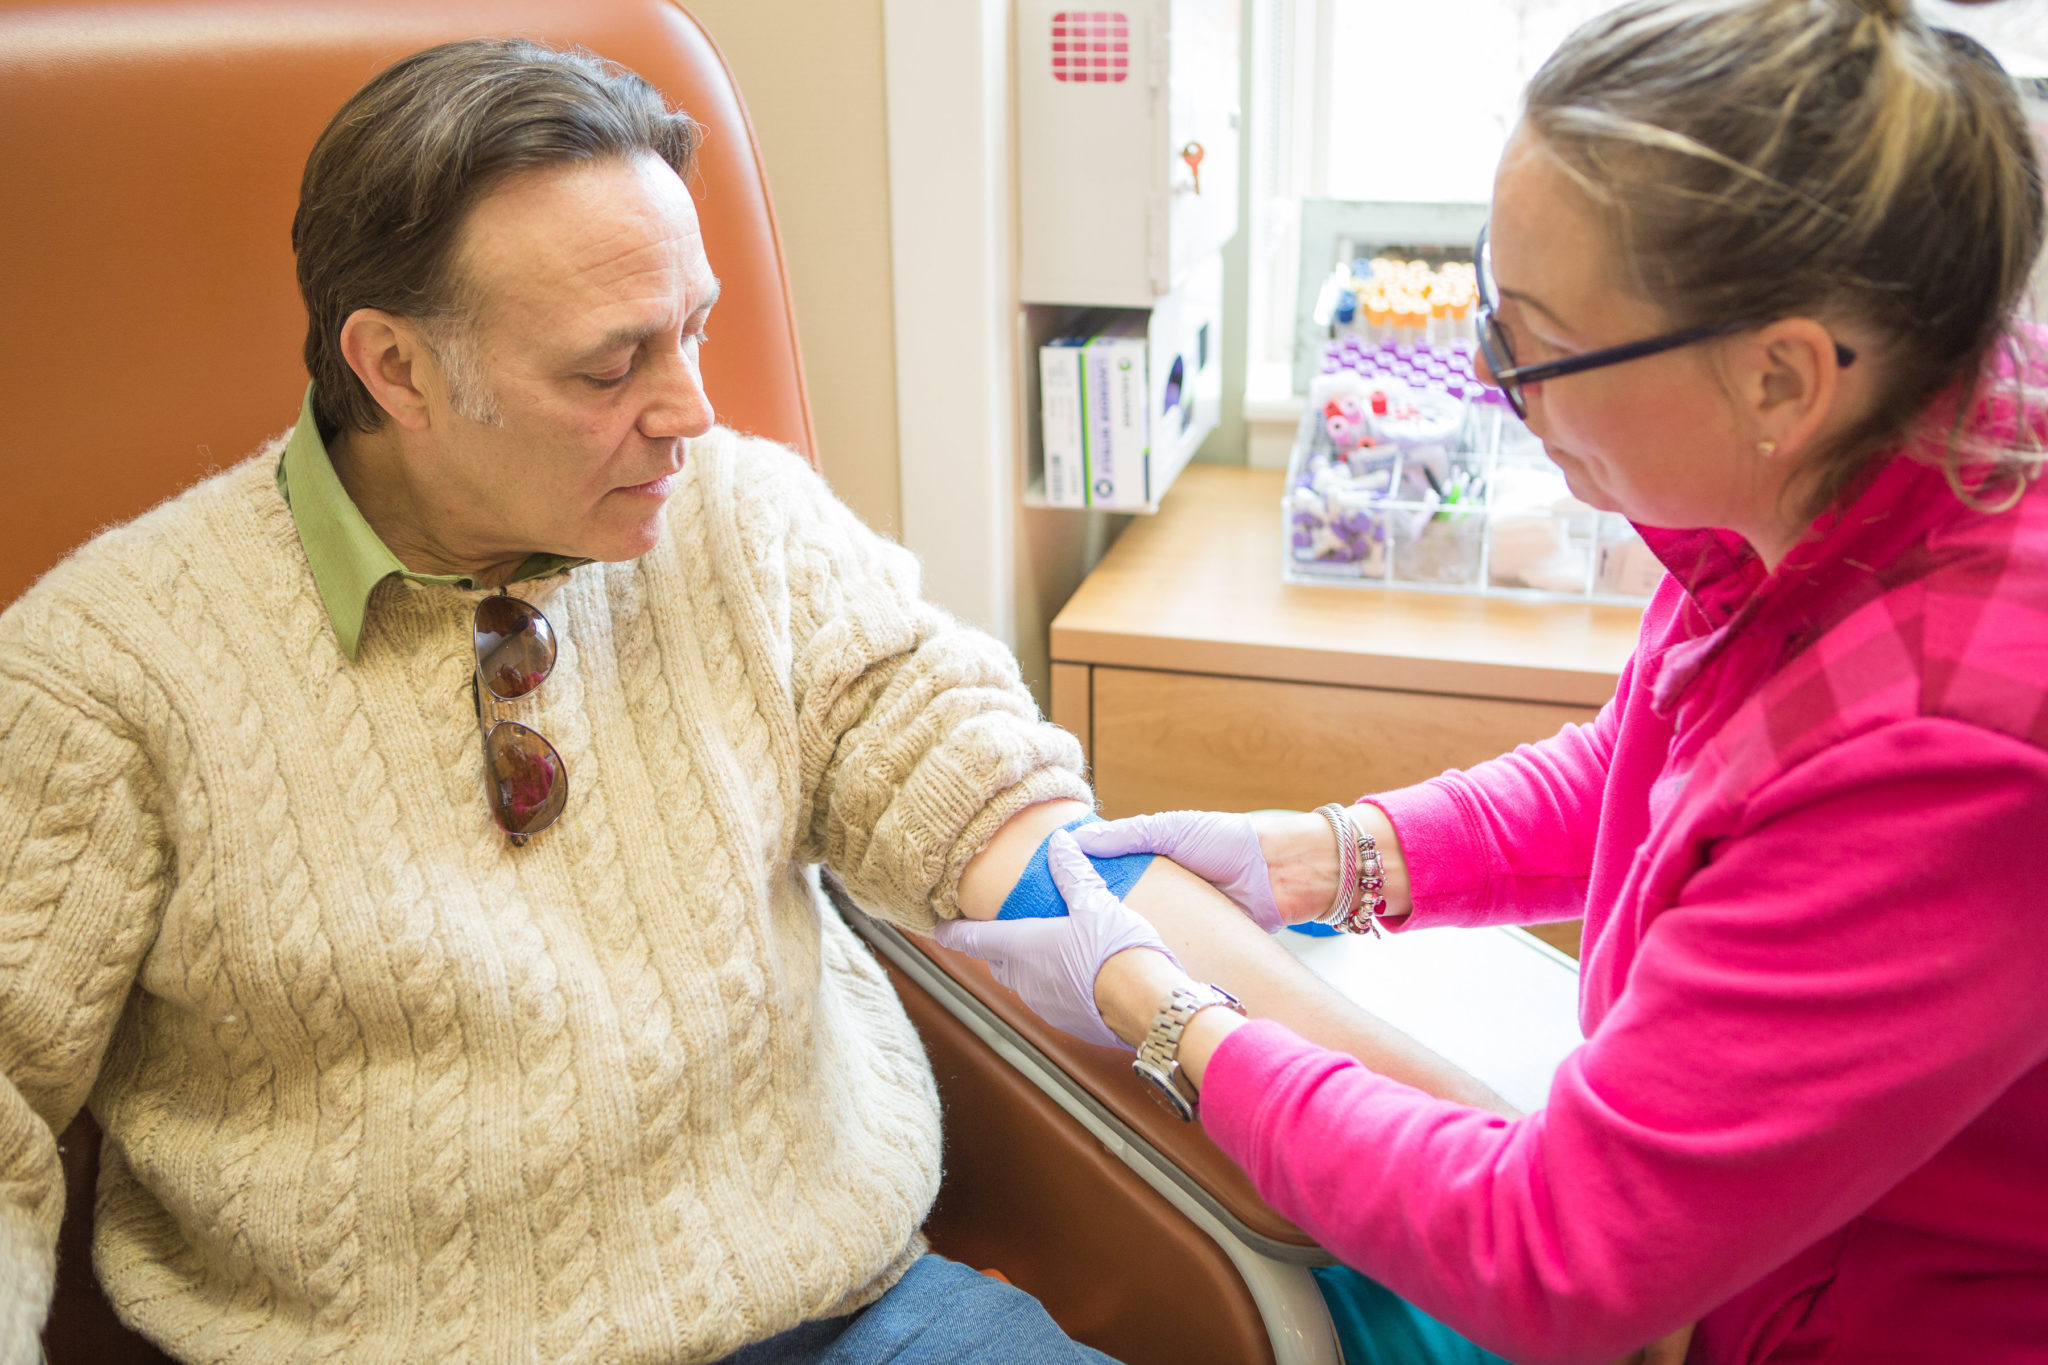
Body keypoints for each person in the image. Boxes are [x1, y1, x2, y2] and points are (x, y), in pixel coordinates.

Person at [0, 37, 1412, 1365]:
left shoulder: (738, 520)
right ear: (395, 367)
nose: (692, 407)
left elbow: (966, 782)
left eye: (696, 328)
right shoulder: (108, 671)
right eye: (614, 364)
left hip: (843, 1310)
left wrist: (1281, 1067)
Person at [936, 1, 2048, 1362]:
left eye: (1534, 344)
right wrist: (1319, 856)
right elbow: (1666, 769)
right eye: (1485, 295)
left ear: (1780, 377)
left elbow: (1557, 1252)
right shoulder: (1879, 452)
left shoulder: (1960, 744)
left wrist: (1164, 1017)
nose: (1483, 371)